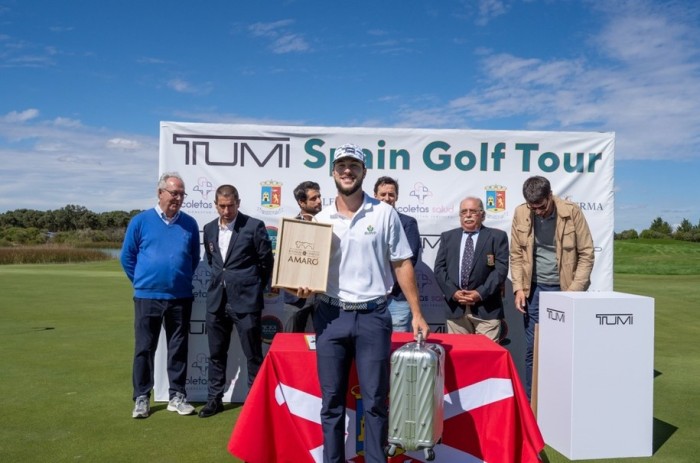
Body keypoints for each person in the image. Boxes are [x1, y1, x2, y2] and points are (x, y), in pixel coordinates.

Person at [302, 143, 430, 463]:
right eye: (342, 165)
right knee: (331, 402)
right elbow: (306, 272)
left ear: (363, 172)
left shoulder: (384, 212)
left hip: (373, 316)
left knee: (375, 401)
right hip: (331, 317)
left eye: (354, 166)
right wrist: (300, 287)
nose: (347, 171)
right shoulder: (320, 218)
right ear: (333, 172)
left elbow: (402, 263)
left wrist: (416, 312)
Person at [120, 172, 200, 419]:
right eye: (174, 193)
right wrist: (144, 282)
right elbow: (127, 257)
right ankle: (142, 397)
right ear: (160, 193)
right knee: (145, 347)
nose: (178, 198)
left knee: (178, 347)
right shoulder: (140, 221)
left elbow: (193, 259)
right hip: (147, 297)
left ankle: (177, 396)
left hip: (180, 296)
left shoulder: (189, 223)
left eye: (182, 194)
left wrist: (176, 279)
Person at [510, 175, 595, 400]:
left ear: (550, 196)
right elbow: (516, 254)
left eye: (541, 206)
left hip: (565, 290)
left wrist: (573, 293)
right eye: (533, 207)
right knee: (532, 350)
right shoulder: (520, 213)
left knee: (563, 351)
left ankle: (562, 402)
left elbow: (586, 253)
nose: (538, 211)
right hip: (534, 291)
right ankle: (532, 402)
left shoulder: (571, 212)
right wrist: (518, 288)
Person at [198, 184, 274, 418]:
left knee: (253, 355)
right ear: (215, 205)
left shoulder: (253, 226)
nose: (226, 210)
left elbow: (266, 263)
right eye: (222, 206)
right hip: (216, 302)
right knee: (216, 354)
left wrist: (252, 287)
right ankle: (214, 400)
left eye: (230, 205)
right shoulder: (209, 228)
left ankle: (255, 404)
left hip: (246, 301)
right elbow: (213, 261)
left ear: (238, 203)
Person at [433, 197, 509, 342]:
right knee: (460, 358)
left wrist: (480, 293)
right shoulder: (448, 237)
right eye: (464, 212)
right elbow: (439, 269)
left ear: (483, 215)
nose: (468, 215)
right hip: (456, 309)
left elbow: (501, 269)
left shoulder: (497, 237)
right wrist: (453, 293)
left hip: (487, 309)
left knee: (486, 358)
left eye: (473, 211)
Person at [373, 176, 422, 332]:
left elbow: (408, 260)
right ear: (375, 196)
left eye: (391, 195)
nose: (387, 198)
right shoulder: (367, 222)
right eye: (383, 194)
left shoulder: (407, 223)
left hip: (397, 299)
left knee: (396, 348)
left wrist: (386, 285)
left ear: (397, 197)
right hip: (370, 298)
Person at [284, 181, 323, 333]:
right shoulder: (290, 227)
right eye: (314, 198)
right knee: (291, 343)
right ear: (301, 202)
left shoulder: (330, 224)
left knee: (325, 342)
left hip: (324, 295)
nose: (319, 201)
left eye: (319, 197)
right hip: (295, 296)